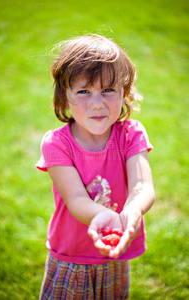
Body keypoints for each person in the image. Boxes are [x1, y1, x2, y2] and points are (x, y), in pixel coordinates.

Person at [35, 34, 155, 299]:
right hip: (71, 255)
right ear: (64, 99)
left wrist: (133, 210)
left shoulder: (130, 134)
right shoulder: (57, 143)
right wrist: (101, 216)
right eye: (84, 91)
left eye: (108, 89)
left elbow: (142, 185)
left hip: (115, 247)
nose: (98, 103)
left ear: (125, 93)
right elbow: (76, 198)